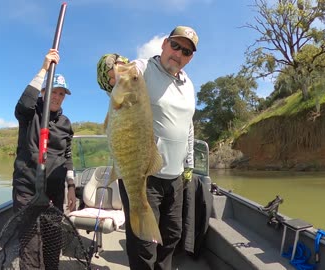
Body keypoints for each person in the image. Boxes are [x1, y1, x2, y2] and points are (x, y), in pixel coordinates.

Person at [96, 25, 198, 270]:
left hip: (175, 177)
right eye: (175, 45)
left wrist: (189, 164)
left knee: (172, 235)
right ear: (164, 43)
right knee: (144, 244)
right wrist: (114, 66)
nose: (178, 53)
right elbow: (114, 76)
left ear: (190, 57)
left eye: (186, 51)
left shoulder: (188, 84)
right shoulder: (143, 69)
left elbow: (189, 126)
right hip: (145, 174)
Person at [12, 48, 76, 269]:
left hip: (54, 192)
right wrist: (43, 69)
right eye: (53, 92)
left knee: (52, 242)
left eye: (61, 94)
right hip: (28, 190)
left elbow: (67, 157)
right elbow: (22, 104)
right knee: (30, 246)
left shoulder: (66, 123)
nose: (57, 97)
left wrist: (71, 186)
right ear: (43, 92)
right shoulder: (31, 114)